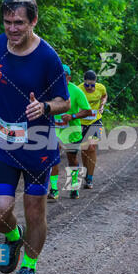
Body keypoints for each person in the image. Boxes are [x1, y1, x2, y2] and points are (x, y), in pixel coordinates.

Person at [0, 0, 70, 274]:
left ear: (34, 21)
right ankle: (14, 237)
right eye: (7, 22)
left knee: (34, 211)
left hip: (37, 145)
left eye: (19, 23)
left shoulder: (47, 58)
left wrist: (44, 107)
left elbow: (64, 102)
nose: (12, 29)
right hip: (2, 139)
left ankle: (29, 268)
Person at [47, 64, 93, 201]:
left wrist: (72, 116)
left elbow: (87, 111)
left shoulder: (76, 91)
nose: (59, 79)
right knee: (54, 159)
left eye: (63, 77)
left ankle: (73, 186)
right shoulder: (50, 90)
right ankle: (54, 189)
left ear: (69, 77)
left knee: (72, 158)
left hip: (72, 131)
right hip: (55, 129)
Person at [78, 70, 107, 189]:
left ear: (96, 82)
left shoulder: (101, 88)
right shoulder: (78, 89)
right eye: (87, 85)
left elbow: (105, 95)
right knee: (84, 149)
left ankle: (90, 177)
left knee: (91, 147)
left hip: (95, 121)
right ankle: (86, 172)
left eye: (92, 85)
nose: (90, 87)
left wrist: (102, 105)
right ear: (83, 82)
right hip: (81, 122)